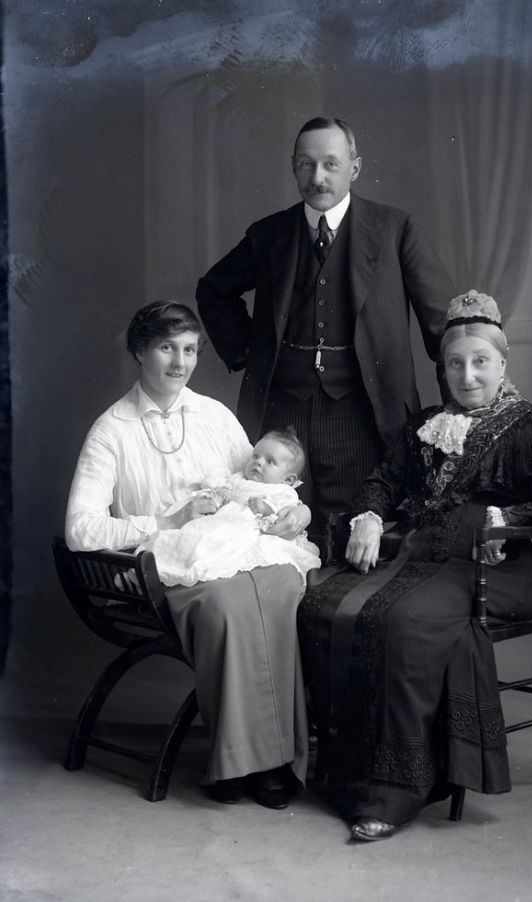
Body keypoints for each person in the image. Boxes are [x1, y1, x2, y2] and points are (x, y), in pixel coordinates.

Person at [297, 290, 532, 841]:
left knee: (402, 622)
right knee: (321, 603)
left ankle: (397, 787)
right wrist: (367, 515)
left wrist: (506, 516)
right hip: (420, 556)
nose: (468, 375)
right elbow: (383, 482)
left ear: (503, 364)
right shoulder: (425, 425)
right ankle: (339, 772)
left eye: (481, 361)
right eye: (454, 363)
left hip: (493, 568)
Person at [65, 301, 312, 810]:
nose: (179, 362)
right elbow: (80, 529)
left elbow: (263, 482)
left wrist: (299, 516)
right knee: (228, 604)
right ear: (139, 351)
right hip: (166, 568)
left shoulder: (213, 416)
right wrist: (166, 522)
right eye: (166, 348)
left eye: (190, 350)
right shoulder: (111, 431)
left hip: (236, 548)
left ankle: (261, 758)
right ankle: (261, 762)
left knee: (280, 587)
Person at [196, 116, 455, 555]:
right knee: (273, 529)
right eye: (306, 164)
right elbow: (213, 290)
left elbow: (442, 326)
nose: (318, 177)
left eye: (331, 164)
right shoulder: (269, 234)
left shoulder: (394, 230)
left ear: (354, 167)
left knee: (348, 531)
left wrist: (460, 410)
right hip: (282, 413)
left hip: (362, 413)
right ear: (293, 167)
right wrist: (248, 353)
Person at [136, 428, 321, 587]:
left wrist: (266, 508)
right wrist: (221, 492)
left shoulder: (282, 491)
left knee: (217, 548)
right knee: (193, 538)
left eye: (270, 461)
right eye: (256, 456)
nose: (258, 462)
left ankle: (190, 571)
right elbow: (218, 486)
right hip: (222, 520)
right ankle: (156, 569)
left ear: (288, 479)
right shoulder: (238, 478)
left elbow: (283, 513)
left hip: (248, 528)